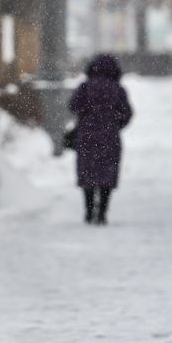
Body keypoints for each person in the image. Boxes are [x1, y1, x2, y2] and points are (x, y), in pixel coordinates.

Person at [68, 53, 133, 225]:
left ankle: (89, 211)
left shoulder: (85, 87)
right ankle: (102, 212)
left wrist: (86, 117)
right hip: (109, 137)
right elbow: (127, 113)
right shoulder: (118, 89)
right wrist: (115, 124)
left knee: (87, 173)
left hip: (86, 136)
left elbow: (73, 105)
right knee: (106, 174)